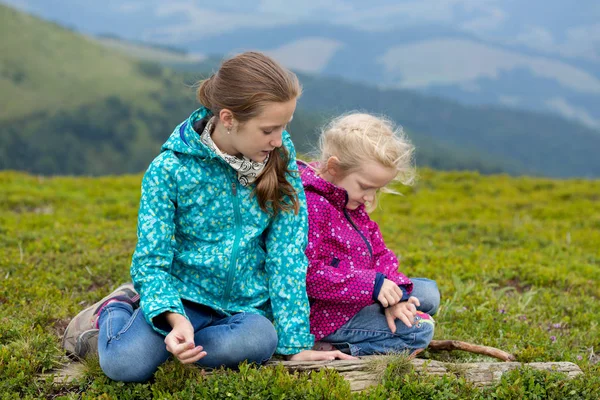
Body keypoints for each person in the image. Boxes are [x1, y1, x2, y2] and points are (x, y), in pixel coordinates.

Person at [62, 51, 351, 383]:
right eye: (269, 129)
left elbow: (287, 255)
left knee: (262, 340)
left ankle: (175, 351)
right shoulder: (169, 169)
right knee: (125, 365)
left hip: (244, 311)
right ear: (228, 119)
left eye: (284, 126)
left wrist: (296, 344)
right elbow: (151, 260)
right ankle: (115, 308)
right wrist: (174, 319)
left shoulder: (279, 158)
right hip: (183, 299)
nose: (278, 139)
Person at [299, 113, 440, 356]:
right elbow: (307, 275)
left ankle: (384, 312)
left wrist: (395, 294)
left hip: (357, 294)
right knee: (421, 329)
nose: (369, 197)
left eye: (376, 189)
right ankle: (330, 345)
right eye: (365, 187)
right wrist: (373, 287)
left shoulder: (349, 202)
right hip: (323, 315)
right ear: (334, 167)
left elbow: (380, 253)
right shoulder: (312, 206)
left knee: (428, 293)